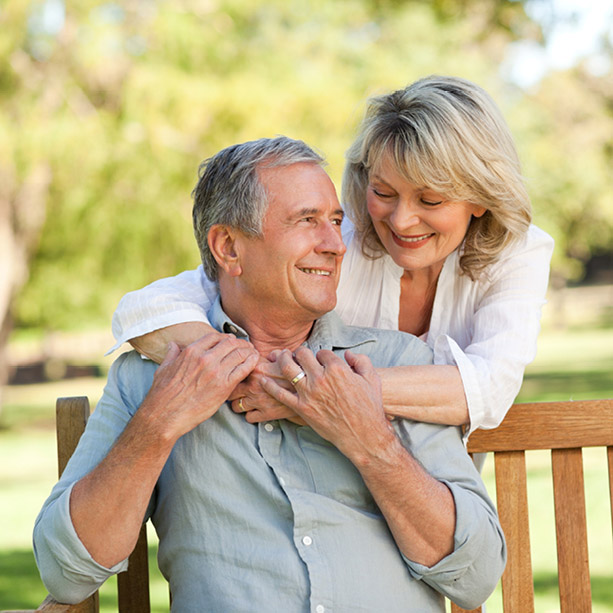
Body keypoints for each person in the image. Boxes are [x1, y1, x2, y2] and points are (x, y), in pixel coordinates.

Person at [34, 137, 505, 611]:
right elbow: (68, 573)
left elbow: (476, 575)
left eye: (336, 222)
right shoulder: (152, 377)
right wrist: (158, 424)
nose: (334, 245)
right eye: (306, 221)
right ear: (228, 248)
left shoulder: (397, 361)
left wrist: (368, 439)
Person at [108, 76, 554, 441]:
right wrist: (258, 373)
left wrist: (323, 393)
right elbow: (147, 309)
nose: (400, 220)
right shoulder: (337, 244)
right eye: (383, 192)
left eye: (430, 200)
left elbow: (490, 389)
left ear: (480, 198)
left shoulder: (519, 253)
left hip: (432, 495)